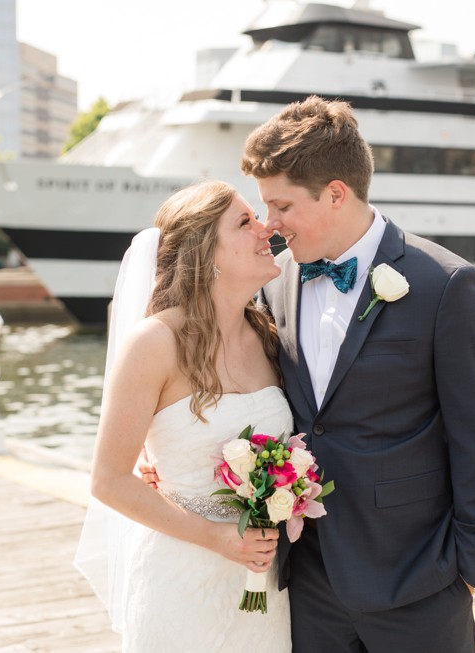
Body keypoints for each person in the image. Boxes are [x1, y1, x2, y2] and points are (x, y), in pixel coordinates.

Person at [243, 95, 475, 652]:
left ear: (336, 193)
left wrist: (467, 567)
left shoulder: (446, 285)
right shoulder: (274, 284)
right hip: (309, 582)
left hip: (418, 580)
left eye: (282, 206)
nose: (270, 224)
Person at [75, 180, 293, 651]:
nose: (266, 229)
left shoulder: (270, 337)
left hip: (265, 584)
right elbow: (108, 480)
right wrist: (215, 537)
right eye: (244, 222)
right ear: (204, 253)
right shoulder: (153, 344)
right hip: (181, 581)